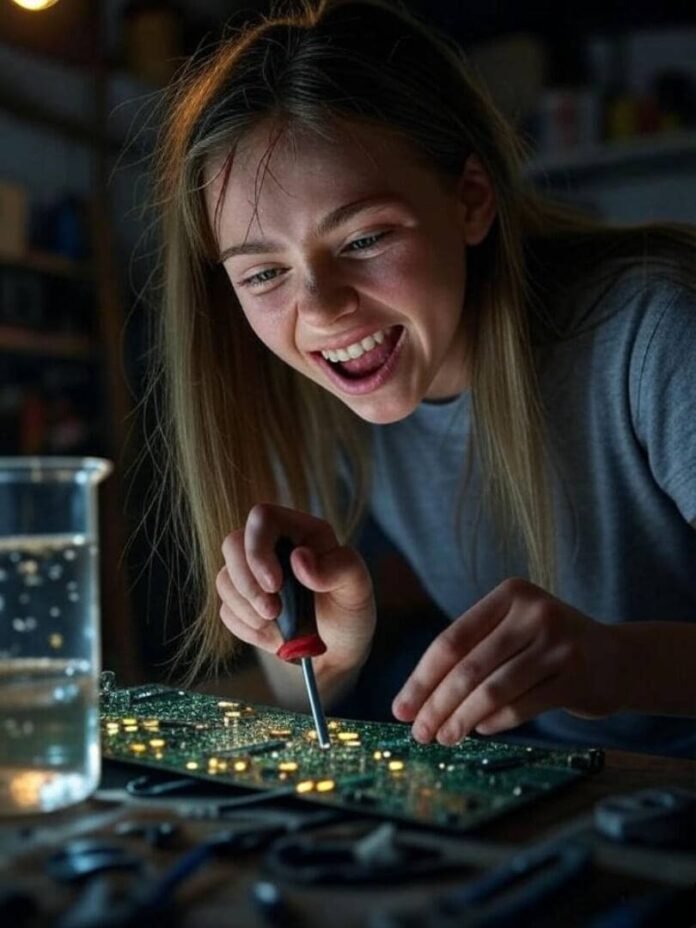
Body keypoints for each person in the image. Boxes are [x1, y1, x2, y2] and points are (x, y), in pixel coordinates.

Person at [148, 0, 696, 757]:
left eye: (365, 238)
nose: (321, 310)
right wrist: (332, 646)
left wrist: (614, 662)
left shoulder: (655, 329)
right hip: (561, 771)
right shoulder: (316, 390)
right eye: (265, 272)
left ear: (471, 200)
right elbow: (291, 688)